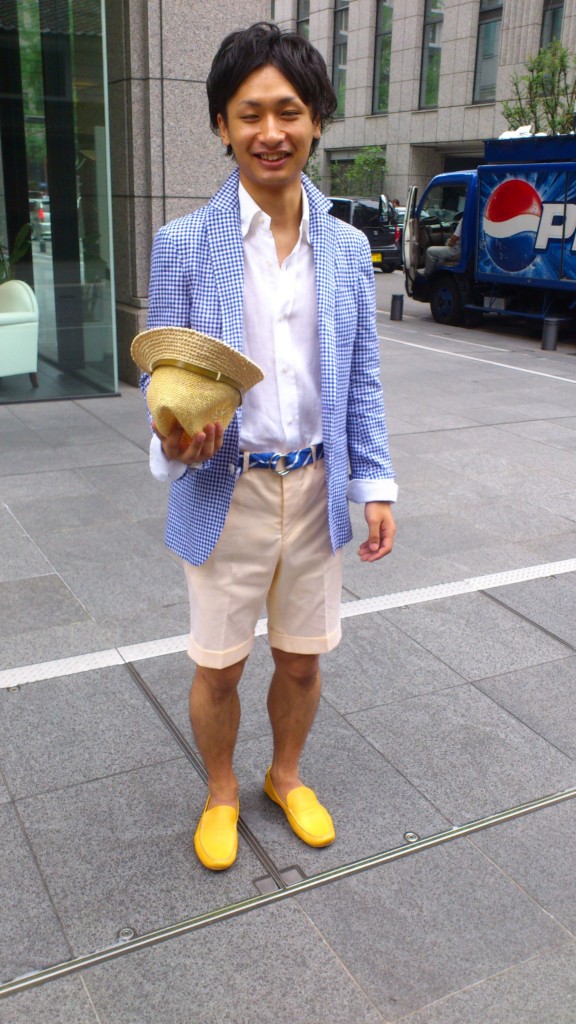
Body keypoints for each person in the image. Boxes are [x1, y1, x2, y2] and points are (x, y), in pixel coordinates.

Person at [142, 22, 397, 871]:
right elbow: (161, 376)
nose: (271, 132)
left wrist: (375, 485)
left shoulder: (348, 248)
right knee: (219, 668)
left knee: (301, 662)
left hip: (317, 487)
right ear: (222, 125)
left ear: (317, 118)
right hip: (229, 488)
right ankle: (221, 792)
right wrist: (173, 435)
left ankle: (285, 776)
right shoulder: (183, 244)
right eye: (249, 114)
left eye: (288, 111)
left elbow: (361, 376)